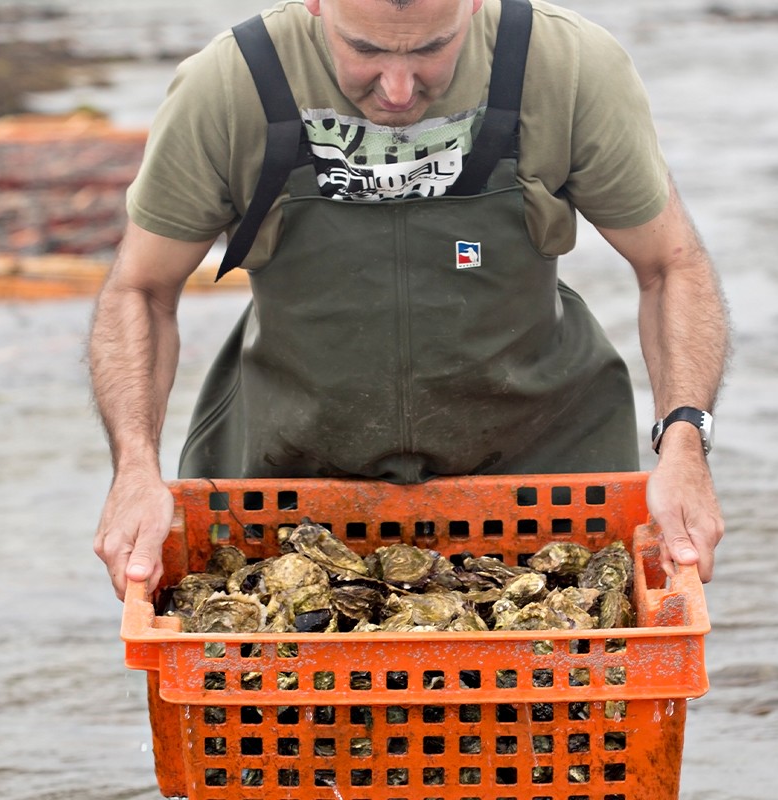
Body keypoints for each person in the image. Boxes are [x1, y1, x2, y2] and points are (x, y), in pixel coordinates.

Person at [90, 0, 730, 600]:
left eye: (431, 50)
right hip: (287, 475)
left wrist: (684, 444)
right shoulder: (230, 87)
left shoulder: (567, 70)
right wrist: (135, 471)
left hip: (547, 473)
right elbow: (141, 290)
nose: (397, 89)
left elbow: (670, 265)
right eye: (365, 50)